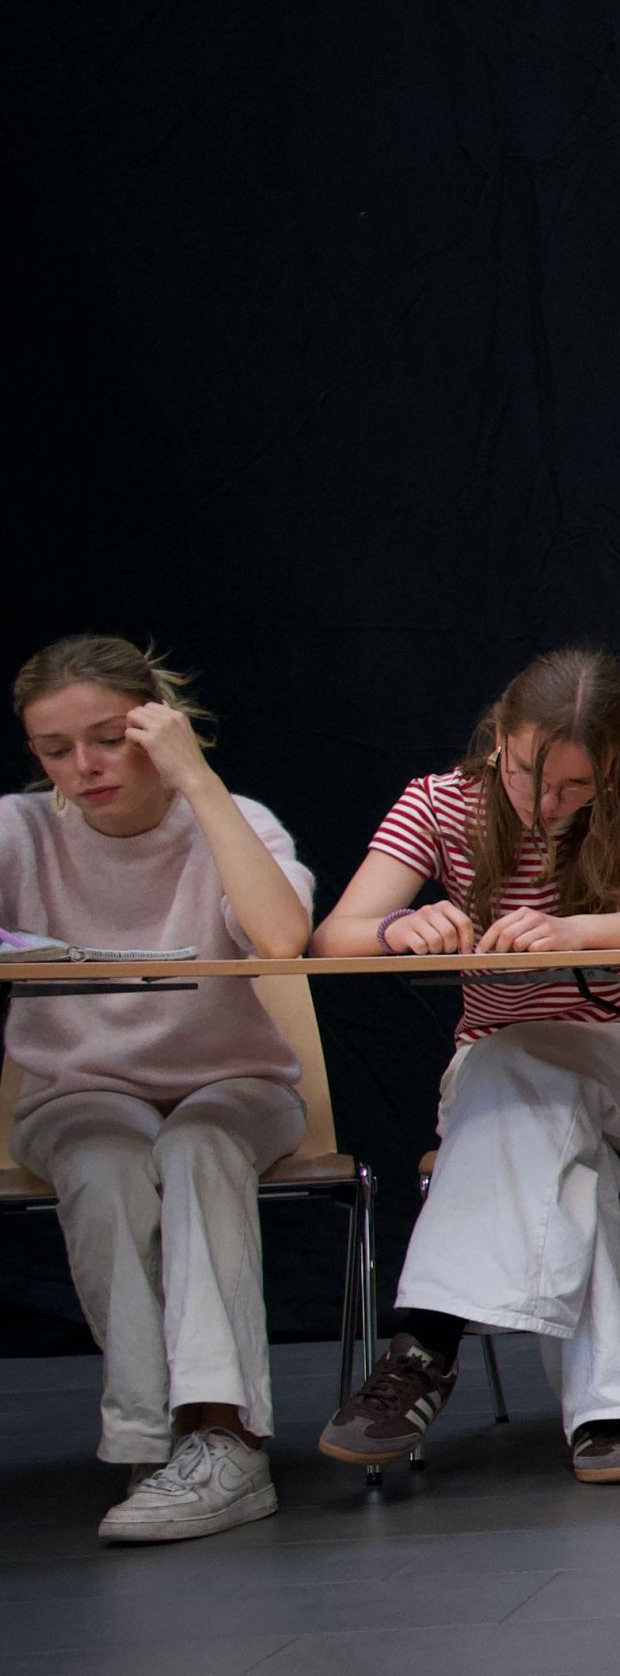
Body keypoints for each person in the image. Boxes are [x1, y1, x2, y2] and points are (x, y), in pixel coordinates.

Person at [312, 647, 620, 1485]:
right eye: (531, 774)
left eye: (577, 787)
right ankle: (610, 1412)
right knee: (566, 1150)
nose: (546, 804)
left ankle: (425, 1342)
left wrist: (572, 930)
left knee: (522, 1058)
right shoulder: (437, 802)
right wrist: (395, 928)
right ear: (500, 736)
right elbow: (332, 938)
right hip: (509, 1084)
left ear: (610, 765)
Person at [2, 636, 314, 1543]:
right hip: (77, 1088)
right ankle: (150, 1438)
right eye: (56, 749)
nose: (85, 767)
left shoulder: (232, 818)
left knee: (198, 1144)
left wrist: (197, 781)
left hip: (233, 1083)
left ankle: (225, 1440)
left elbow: (279, 940)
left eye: (109, 739)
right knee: (105, 1158)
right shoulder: (20, 831)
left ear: (156, 725)